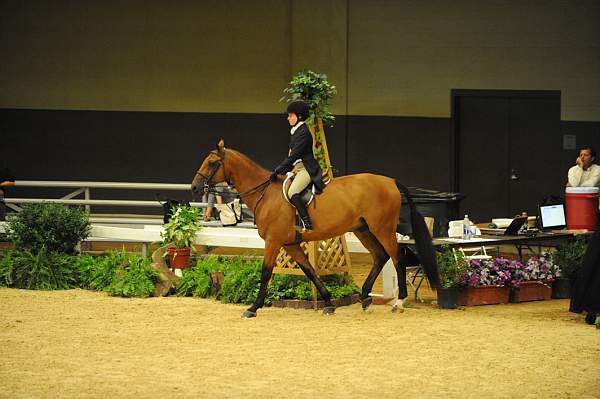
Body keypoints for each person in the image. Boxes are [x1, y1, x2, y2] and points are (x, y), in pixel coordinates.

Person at [270, 100, 325, 232]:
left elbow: (293, 156)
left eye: (290, 115)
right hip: (297, 168)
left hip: (306, 168)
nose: (288, 118)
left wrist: (278, 170)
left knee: (292, 192)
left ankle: (307, 223)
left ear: (299, 116)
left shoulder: (304, 133)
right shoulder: (296, 131)